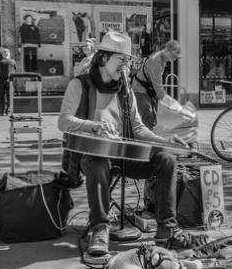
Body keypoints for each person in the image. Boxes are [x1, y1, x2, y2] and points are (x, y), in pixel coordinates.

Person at [58, 32, 206, 256]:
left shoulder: (125, 90)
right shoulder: (80, 85)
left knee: (166, 159)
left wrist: (164, 142)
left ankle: (166, 230)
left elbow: (138, 128)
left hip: (123, 154)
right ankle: (100, 227)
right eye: (122, 60)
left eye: (128, 62)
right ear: (104, 57)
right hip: (92, 154)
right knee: (97, 162)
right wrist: (93, 125)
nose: (126, 67)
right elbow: (64, 121)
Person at [131, 40, 182, 130]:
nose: (174, 60)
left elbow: (158, 82)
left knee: (153, 118)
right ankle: (146, 142)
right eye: (173, 57)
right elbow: (158, 85)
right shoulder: (156, 61)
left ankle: (149, 138)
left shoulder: (162, 58)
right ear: (168, 51)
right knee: (148, 119)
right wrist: (170, 102)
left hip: (146, 91)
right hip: (140, 91)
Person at [0, 46, 18, 116]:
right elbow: (15, 70)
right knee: (6, 96)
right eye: (4, 52)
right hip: (7, 80)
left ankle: (4, 111)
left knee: (4, 96)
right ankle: (6, 110)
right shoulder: (10, 61)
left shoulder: (1, 61)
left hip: (5, 80)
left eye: (6, 51)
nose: (6, 53)